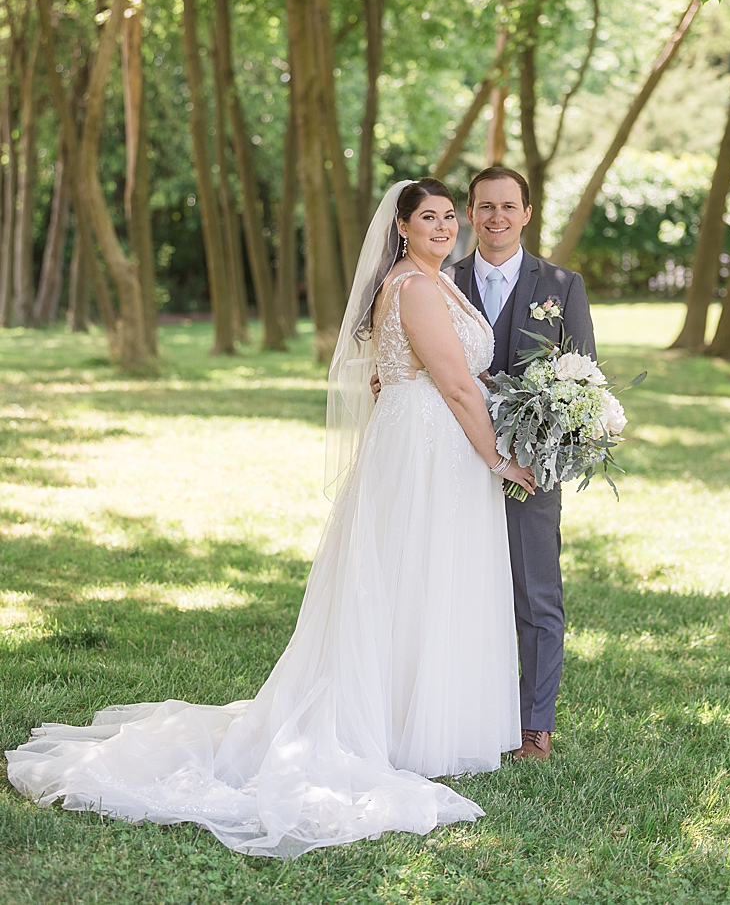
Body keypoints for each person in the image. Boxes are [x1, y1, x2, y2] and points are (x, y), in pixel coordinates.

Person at [7, 178, 537, 857]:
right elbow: (456, 383)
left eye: (446, 218)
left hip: (436, 446)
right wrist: (500, 460)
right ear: (401, 227)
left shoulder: (436, 281)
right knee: (412, 578)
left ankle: (420, 724)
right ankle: (399, 729)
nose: (442, 227)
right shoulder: (415, 285)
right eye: (426, 217)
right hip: (426, 453)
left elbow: (462, 377)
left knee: (426, 583)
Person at [446, 167, 595, 763]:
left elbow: (581, 373)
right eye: (485, 206)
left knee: (536, 594)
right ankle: (462, 712)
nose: (497, 217)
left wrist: (549, 445)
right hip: (455, 462)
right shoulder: (444, 282)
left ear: (528, 213)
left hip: (532, 468)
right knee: (456, 588)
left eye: (509, 206)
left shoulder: (562, 284)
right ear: (469, 213)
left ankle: (535, 725)